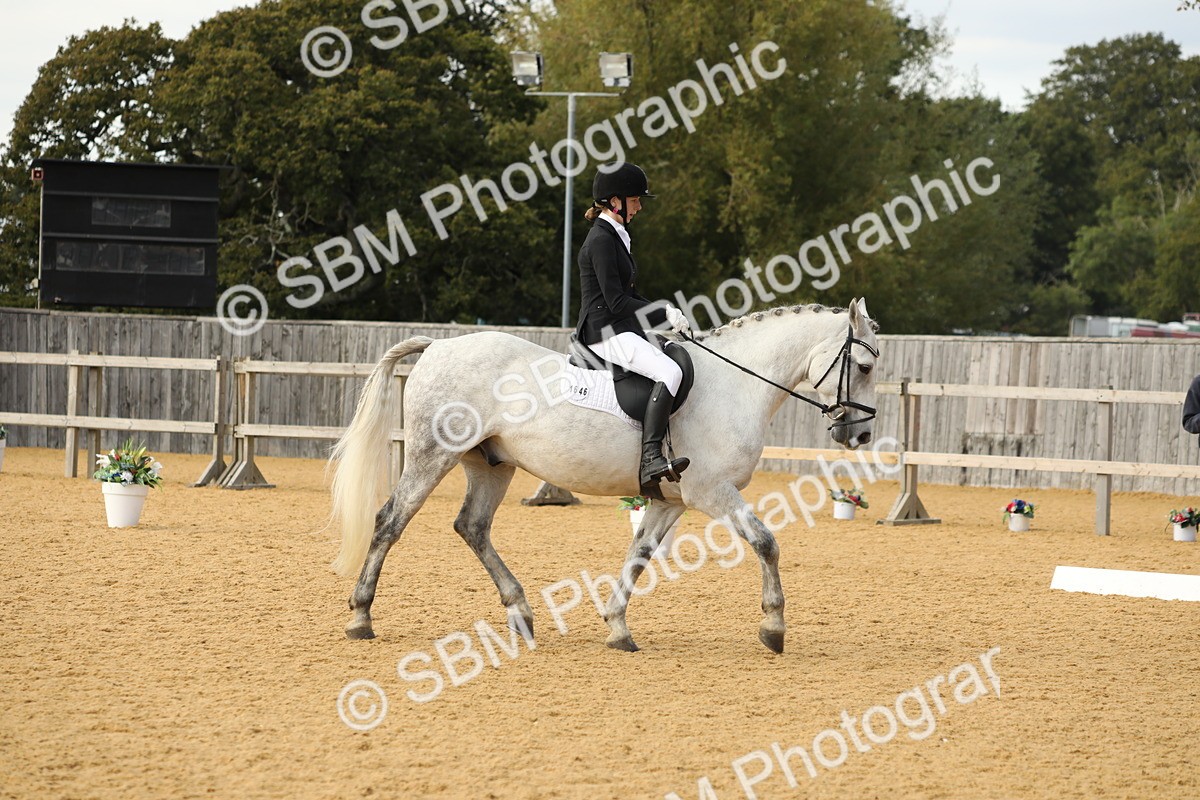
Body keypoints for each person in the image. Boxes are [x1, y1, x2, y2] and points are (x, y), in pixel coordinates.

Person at [575, 162, 692, 494]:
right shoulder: (600, 239)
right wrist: (664, 314)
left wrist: (664, 312)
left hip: (621, 326)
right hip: (605, 333)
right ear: (615, 202)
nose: (640, 206)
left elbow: (630, 295)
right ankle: (651, 457)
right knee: (670, 373)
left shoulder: (616, 235)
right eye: (635, 200)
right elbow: (614, 301)